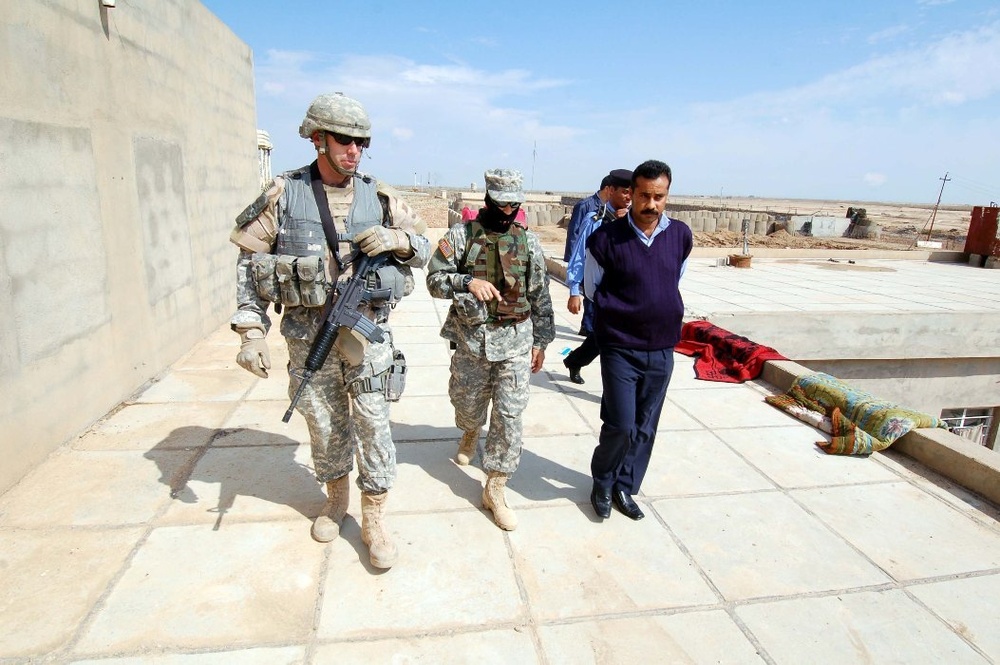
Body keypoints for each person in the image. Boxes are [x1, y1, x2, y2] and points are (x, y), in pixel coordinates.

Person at [229, 92, 430, 568]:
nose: (354, 150)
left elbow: (426, 247)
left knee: (374, 426)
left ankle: (374, 515)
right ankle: (336, 498)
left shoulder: (379, 196)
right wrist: (250, 330)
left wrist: (398, 239)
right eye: (345, 140)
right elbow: (249, 263)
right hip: (307, 339)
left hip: (367, 340)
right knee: (323, 425)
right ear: (318, 138)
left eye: (362, 142)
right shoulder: (285, 193)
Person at [426, 169, 555, 531]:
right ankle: (469, 431)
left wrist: (541, 341)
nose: (508, 209)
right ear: (488, 199)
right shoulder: (461, 235)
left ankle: (495, 487)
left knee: (509, 416)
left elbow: (540, 295)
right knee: (467, 404)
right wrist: (467, 281)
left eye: (514, 203)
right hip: (472, 341)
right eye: (501, 203)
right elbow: (434, 280)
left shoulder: (528, 243)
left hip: (516, 340)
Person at [584, 159, 691, 521]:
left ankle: (625, 486)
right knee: (621, 423)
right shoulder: (605, 239)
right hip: (620, 347)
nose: (651, 204)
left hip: (662, 348)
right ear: (632, 193)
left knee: (646, 426)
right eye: (644, 195)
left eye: (659, 196)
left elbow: (673, 279)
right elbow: (591, 288)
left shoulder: (681, 236)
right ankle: (602, 480)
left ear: (667, 195)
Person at [563, 169, 632, 384]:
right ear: (610, 191)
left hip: (630, 291)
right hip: (605, 292)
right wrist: (575, 290)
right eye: (624, 192)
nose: (629, 197)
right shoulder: (595, 220)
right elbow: (579, 256)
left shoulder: (638, 221)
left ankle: (575, 360)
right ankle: (617, 391)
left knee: (604, 337)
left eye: (632, 193)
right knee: (611, 341)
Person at [562, 174, 613, 265]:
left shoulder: (610, 208)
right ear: (607, 189)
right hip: (582, 259)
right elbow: (574, 233)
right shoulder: (585, 206)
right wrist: (572, 261)